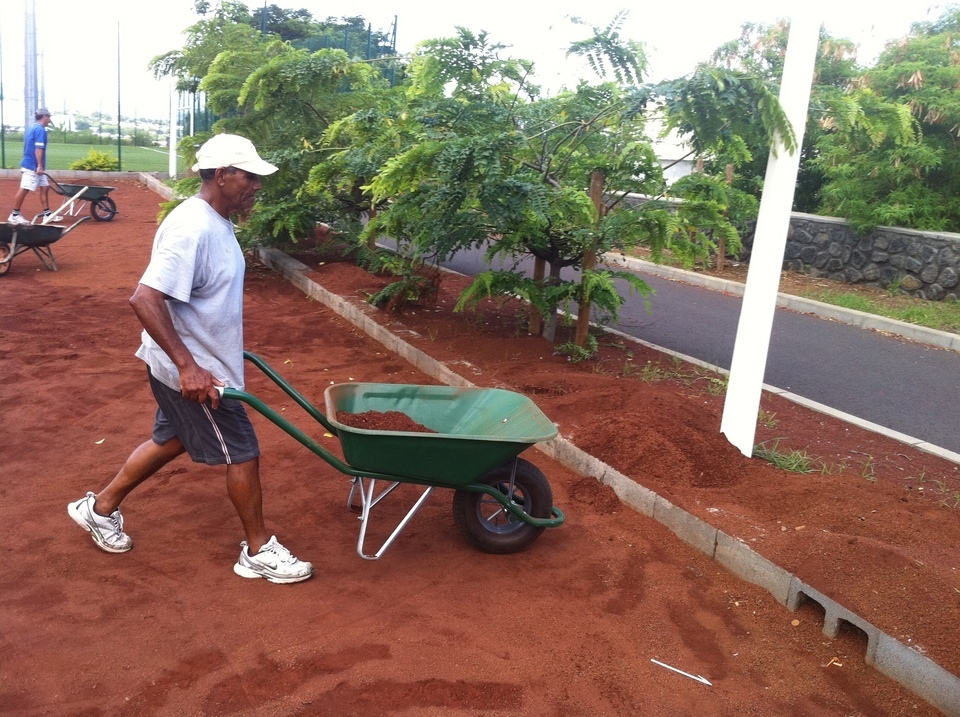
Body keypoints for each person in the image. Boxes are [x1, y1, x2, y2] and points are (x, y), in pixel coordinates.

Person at [68, 133, 314, 584]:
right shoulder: (193, 228)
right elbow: (144, 298)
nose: (257, 185)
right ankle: (257, 550)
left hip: (197, 363)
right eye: (250, 176)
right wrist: (189, 366)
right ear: (222, 176)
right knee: (242, 451)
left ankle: (99, 508)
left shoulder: (215, 222)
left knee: (173, 439)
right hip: (195, 372)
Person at [8, 107, 61, 225]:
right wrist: (39, 166)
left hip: (32, 164)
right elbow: (38, 149)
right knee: (25, 189)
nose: (50, 120)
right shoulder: (40, 130)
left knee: (45, 187)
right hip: (33, 166)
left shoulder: (33, 128)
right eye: (49, 117)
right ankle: (14, 215)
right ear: (44, 117)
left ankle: (47, 214)